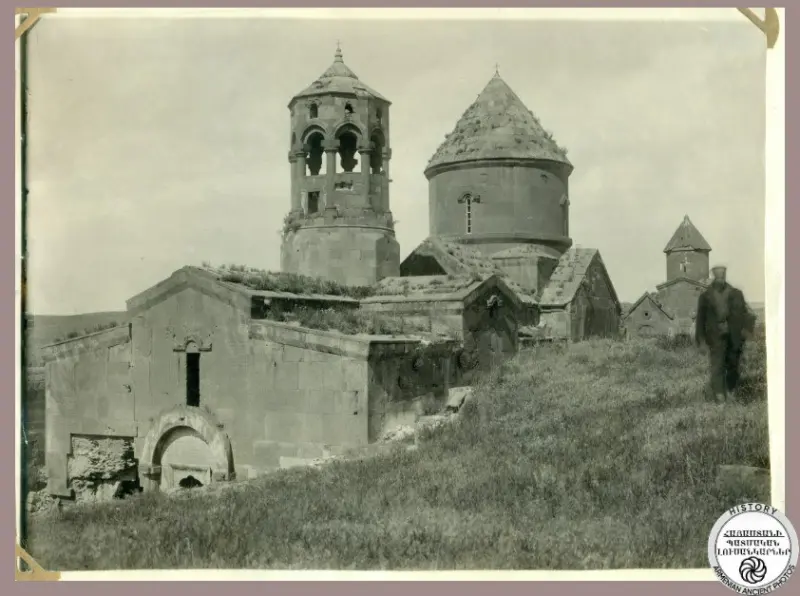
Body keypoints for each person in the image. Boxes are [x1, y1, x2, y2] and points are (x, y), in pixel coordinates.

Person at [695, 265, 756, 402]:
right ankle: (720, 397)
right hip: (715, 337)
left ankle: (731, 391)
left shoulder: (736, 294)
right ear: (714, 277)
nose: (720, 278)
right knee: (717, 366)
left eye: (722, 275)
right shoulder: (705, 297)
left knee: (733, 365)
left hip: (734, 337)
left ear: (725, 276)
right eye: (718, 275)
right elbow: (700, 320)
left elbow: (746, 314)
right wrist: (701, 340)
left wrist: (746, 331)